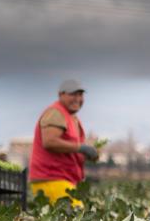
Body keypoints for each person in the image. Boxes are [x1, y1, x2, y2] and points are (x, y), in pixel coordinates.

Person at [29, 78, 100, 206]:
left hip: (63, 180)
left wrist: (89, 154)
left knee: (76, 218)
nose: (77, 98)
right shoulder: (56, 113)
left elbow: (69, 150)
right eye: (73, 94)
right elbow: (49, 141)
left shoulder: (71, 117)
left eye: (80, 95)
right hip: (51, 179)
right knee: (76, 217)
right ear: (61, 94)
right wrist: (81, 148)